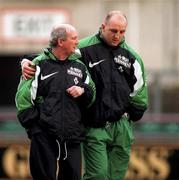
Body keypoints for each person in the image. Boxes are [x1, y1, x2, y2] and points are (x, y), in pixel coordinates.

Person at [20, 10, 148, 180]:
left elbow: (139, 90)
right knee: (98, 175)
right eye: (113, 31)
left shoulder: (133, 57)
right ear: (103, 27)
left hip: (122, 125)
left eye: (122, 31)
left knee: (117, 176)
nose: (118, 36)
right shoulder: (83, 48)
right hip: (95, 124)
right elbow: (55, 56)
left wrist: (136, 111)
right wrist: (26, 60)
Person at [15, 23, 96, 180]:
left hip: (72, 136)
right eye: (74, 38)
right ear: (60, 41)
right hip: (44, 137)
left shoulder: (80, 67)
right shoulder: (37, 65)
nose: (77, 41)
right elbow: (23, 100)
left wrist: (83, 91)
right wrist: (37, 127)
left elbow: (92, 95)